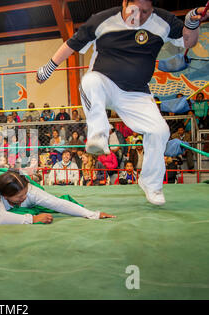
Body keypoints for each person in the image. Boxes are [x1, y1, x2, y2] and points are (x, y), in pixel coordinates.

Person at [36, 0, 208, 205]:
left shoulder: (162, 20)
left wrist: (191, 21)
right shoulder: (102, 20)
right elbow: (70, 45)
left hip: (137, 94)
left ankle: (151, 184)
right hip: (104, 84)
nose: (141, 16)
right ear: (125, 3)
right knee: (90, 81)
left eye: (147, 11)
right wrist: (48, 67)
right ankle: (98, 135)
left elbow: (189, 42)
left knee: (160, 131)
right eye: (136, 10)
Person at [0, 168, 115, 226]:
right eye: (18, 198)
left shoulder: (29, 189)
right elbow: (1, 217)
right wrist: (33, 218)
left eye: (25, 194)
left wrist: (93, 214)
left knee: (42, 198)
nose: (24, 198)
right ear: (5, 195)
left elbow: (57, 203)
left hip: (3, 177)